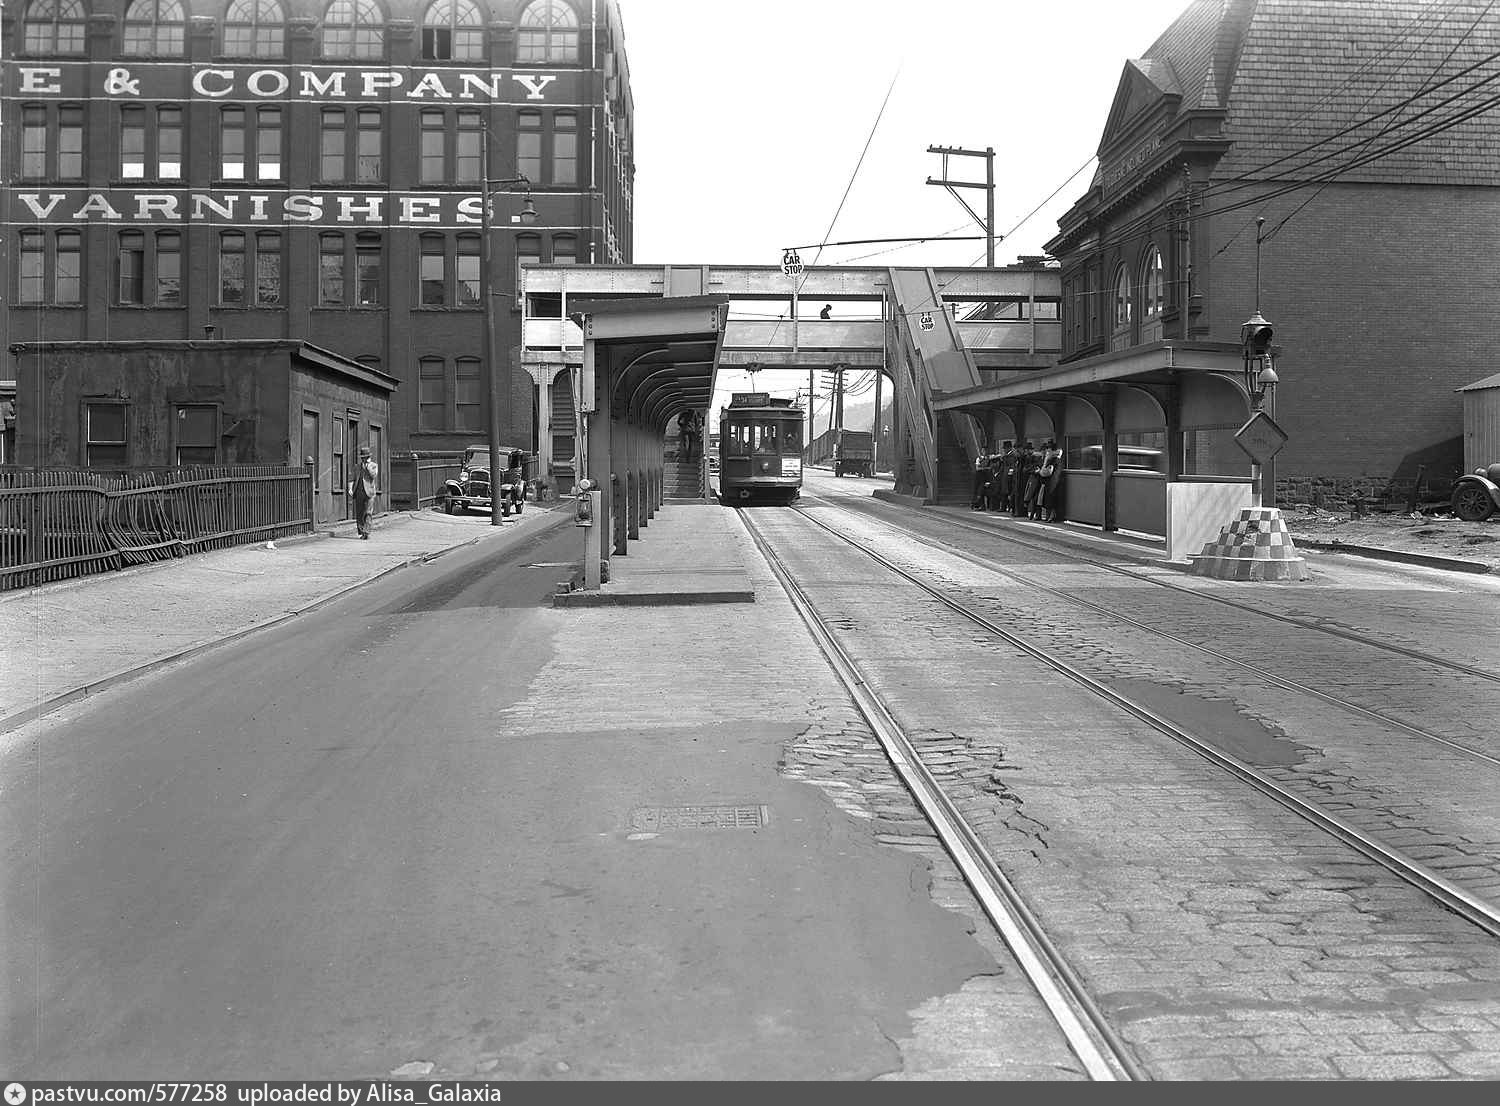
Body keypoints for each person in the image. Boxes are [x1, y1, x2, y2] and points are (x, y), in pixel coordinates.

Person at [349, 444, 378, 539]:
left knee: (368, 512)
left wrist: (368, 466)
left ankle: (367, 532)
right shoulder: (357, 467)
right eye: (362, 458)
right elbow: (352, 478)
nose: (364, 460)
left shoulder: (373, 465)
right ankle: (361, 531)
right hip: (359, 492)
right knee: (360, 513)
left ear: (369, 457)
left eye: (365, 458)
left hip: (369, 492)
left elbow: (373, 476)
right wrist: (350, 488)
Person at [1036, 439, 1064, 521]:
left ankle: (1050, 517)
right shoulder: (1057, 459)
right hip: (1054, 481)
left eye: (1048, 448)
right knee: (1051, 499)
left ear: (1052, 450)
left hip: (1051, 481)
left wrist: (1040, 471)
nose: (1047, 450)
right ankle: (1050, 517)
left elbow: (1048, 471)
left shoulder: (1053, 459)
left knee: (1050, 499)